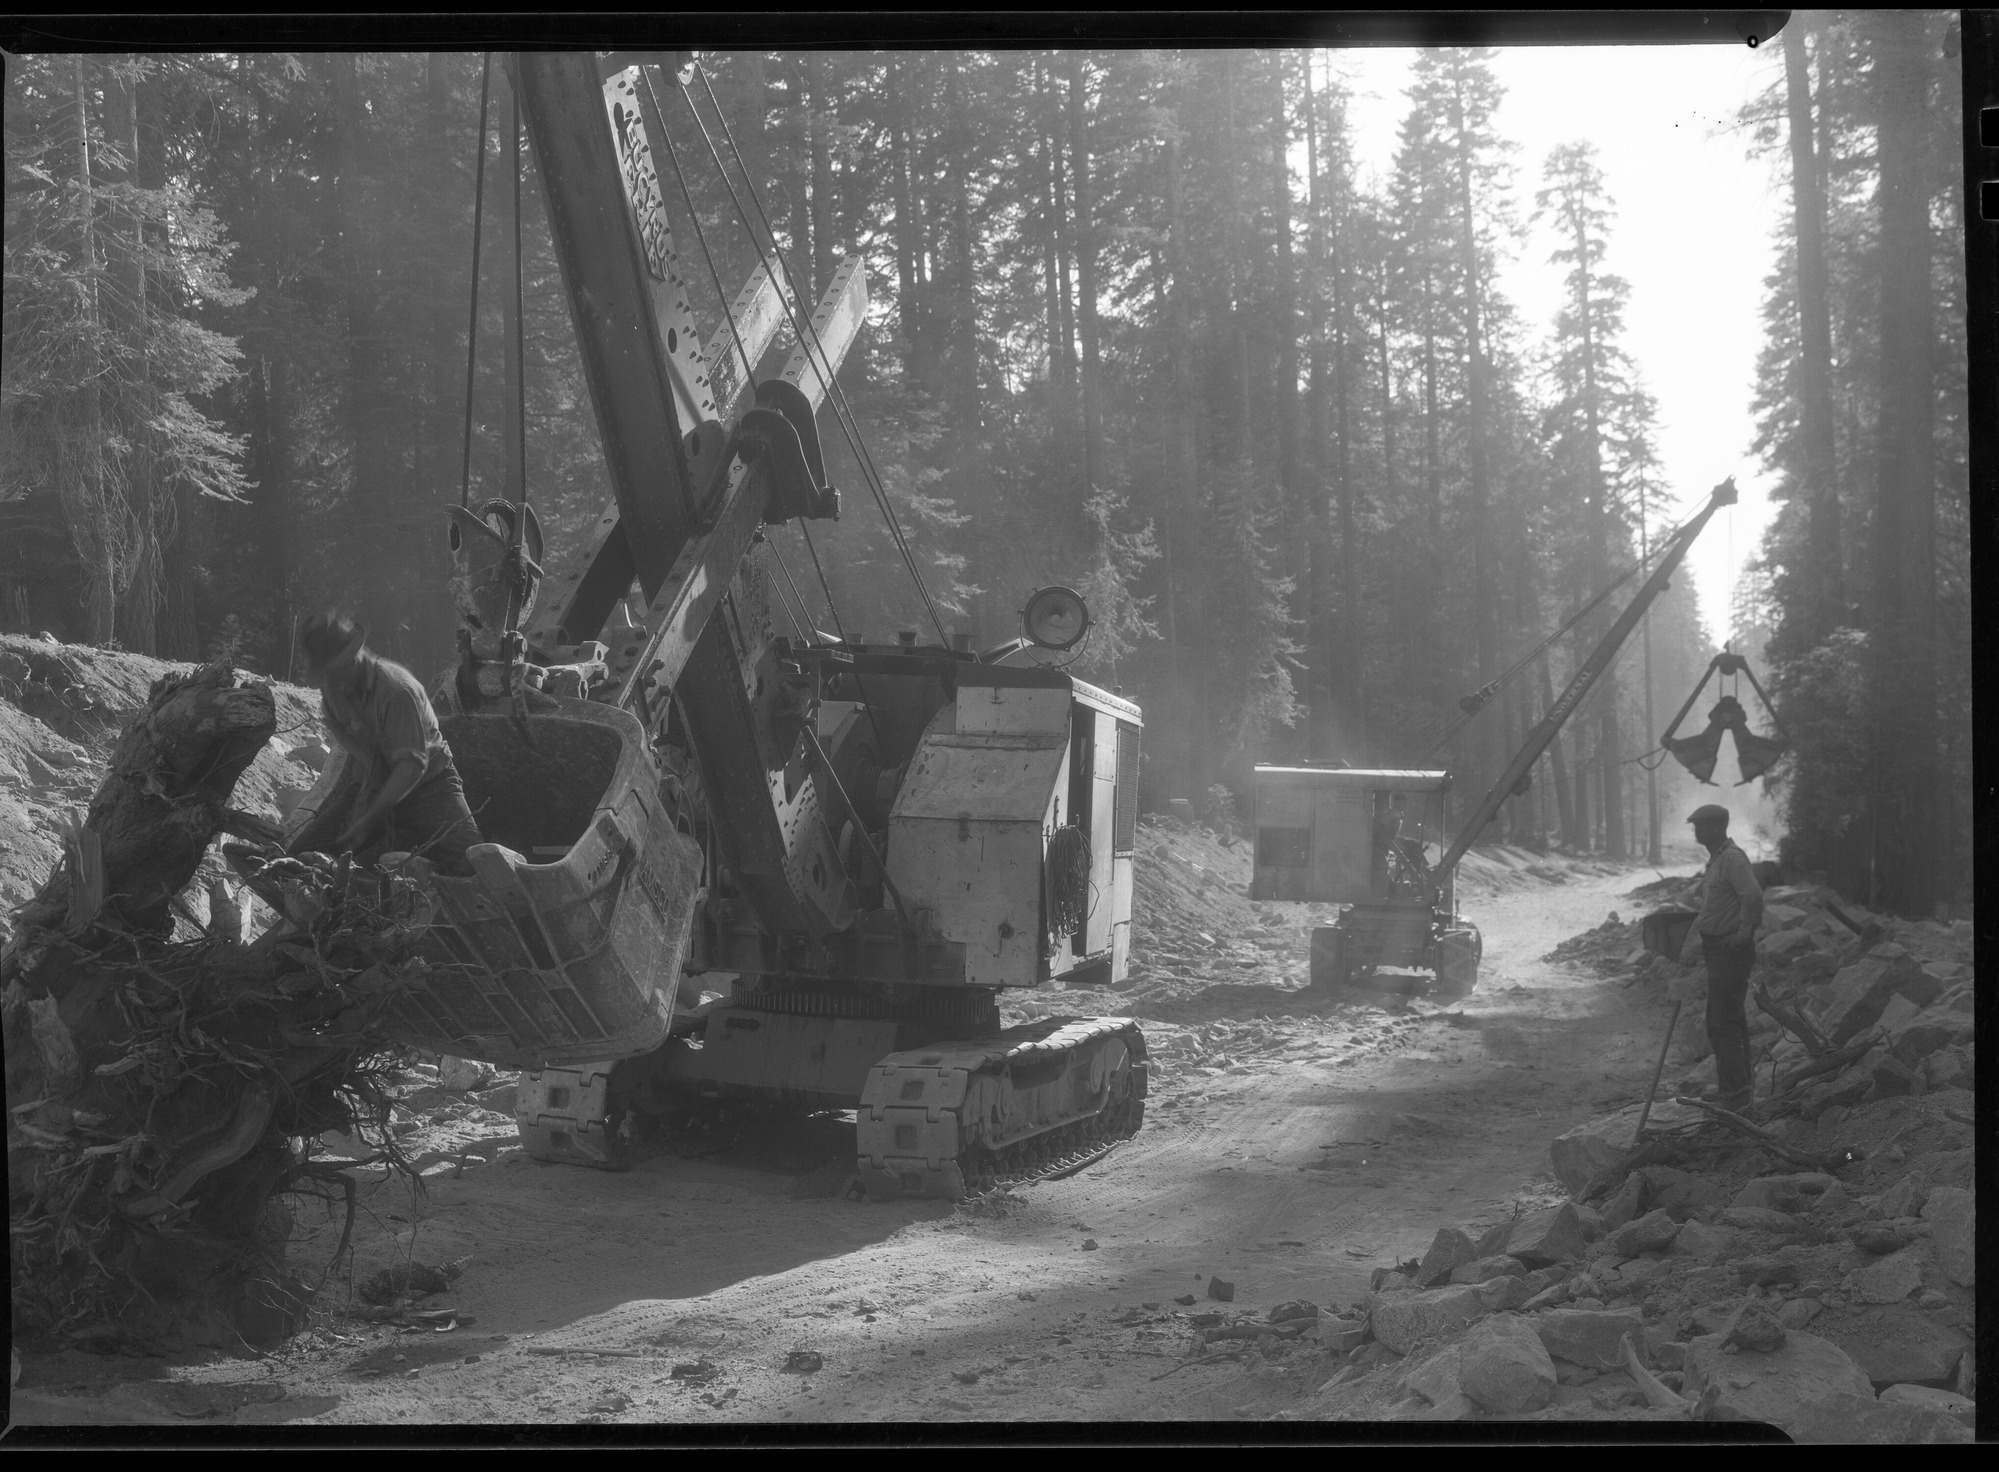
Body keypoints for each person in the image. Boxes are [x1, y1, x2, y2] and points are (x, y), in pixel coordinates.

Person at [288, 611, 482, 877]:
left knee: (473, 866)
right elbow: (345, 736)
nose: (332, 680)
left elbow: (412, 766)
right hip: (373, 782)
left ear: (353, 658)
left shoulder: (396, 690)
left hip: (429, 786)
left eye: (336, 670)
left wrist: (370, 817)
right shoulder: (332, 687)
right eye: (327, 672)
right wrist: (368, 791)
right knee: (299, 858)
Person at [1683, 802, 1764, 1112]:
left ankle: (1734, 1094)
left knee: (1721, 1022)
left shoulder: (1731, 858)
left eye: (1701, 826)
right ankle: (1738, 1087)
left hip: (1730, 950)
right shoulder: (1718, 858)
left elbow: (1753, 896)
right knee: (1730, 1019)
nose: (1696, 831)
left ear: (1717, 827)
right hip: (1717, 948)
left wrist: (1743, 934)